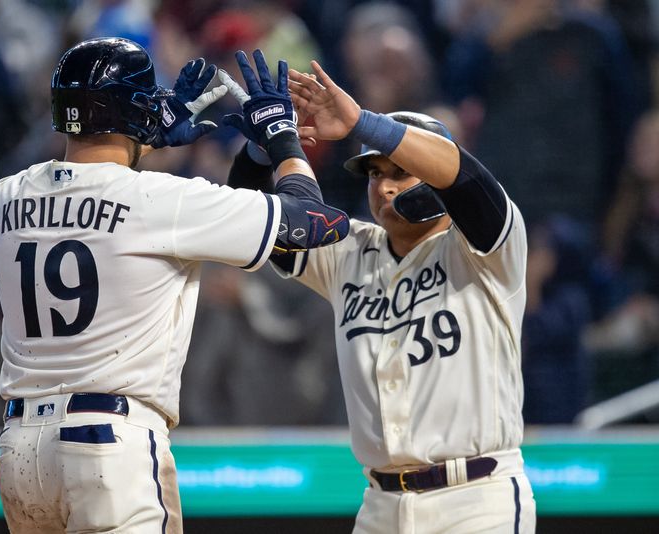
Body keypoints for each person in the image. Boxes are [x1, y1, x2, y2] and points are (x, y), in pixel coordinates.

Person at [0, 38, 348, 534]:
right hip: (110, 442)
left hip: (20, 449)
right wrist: (283, 140)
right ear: (134, 112)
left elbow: (96, 188)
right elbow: (314, 223)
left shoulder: (7, 197)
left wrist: (142, 134)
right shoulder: (160, 200)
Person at [223, 60, 536, 533]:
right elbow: (249, 222)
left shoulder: (486, 247)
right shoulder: (350, 248)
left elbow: (464, 179)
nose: (385, 186)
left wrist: (361, 123)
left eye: (402, 172)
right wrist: (265, 146)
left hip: (476, 498)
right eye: (375, 175)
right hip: (380, 505)